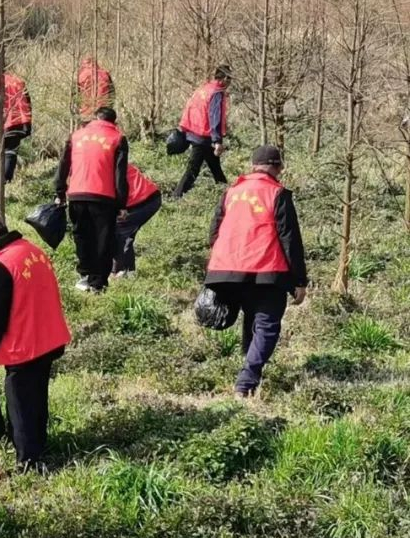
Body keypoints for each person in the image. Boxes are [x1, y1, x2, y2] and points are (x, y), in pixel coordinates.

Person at [0, 213, 70, 473]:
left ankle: (29, 462)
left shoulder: (1, 265)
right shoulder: (31, 250)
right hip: (49, 337)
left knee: (20, 404)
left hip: (25, 345)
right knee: (37, 396)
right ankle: (38, 444)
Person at [205, 146, 308, 398]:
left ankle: (249, 369)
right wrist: (299, 281)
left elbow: (213, 234)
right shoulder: (277, 193)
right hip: (266, 270)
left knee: (251, 319)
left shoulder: (232, 192)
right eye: (280, 167)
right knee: (267, 325)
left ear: (253, 166)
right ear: (276, 167)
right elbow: (290, 239)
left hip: (226, 269)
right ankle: (247, 380)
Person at [53, 107, 129, 293]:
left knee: (82, 235)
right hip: (104, 196)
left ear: (95, 118)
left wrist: (60, 191)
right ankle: (98, 282)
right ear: (113, 122)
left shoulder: (76, 136)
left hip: (77, 193)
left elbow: (63, 164)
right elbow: (120, 174)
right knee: (103, 239)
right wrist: (122, 204)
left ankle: (84, 275)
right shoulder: (118, 138)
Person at [173, 65, 232, 198]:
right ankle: (176, 196)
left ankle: (227, 195)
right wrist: (217, 141)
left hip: (194, 131)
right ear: (224, 78)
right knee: (193, 168)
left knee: (215, 167)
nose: (230, 83)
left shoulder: (205, 88)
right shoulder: (217, 92)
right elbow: (214, 116)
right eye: (229, 79)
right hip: (203, 136)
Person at [113, 164, 163, 278]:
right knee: (126, 233)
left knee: (118, 233)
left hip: (140, 201)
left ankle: (116, 271)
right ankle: (128, 270)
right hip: (150, 197)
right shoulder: (116, 156)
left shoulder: (106, 165)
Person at [3, 72, 33, 183]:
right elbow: (27, 104)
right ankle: (6, 179)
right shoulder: (18, 82)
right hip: (16, 121)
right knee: (11, 152)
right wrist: (27, 123)